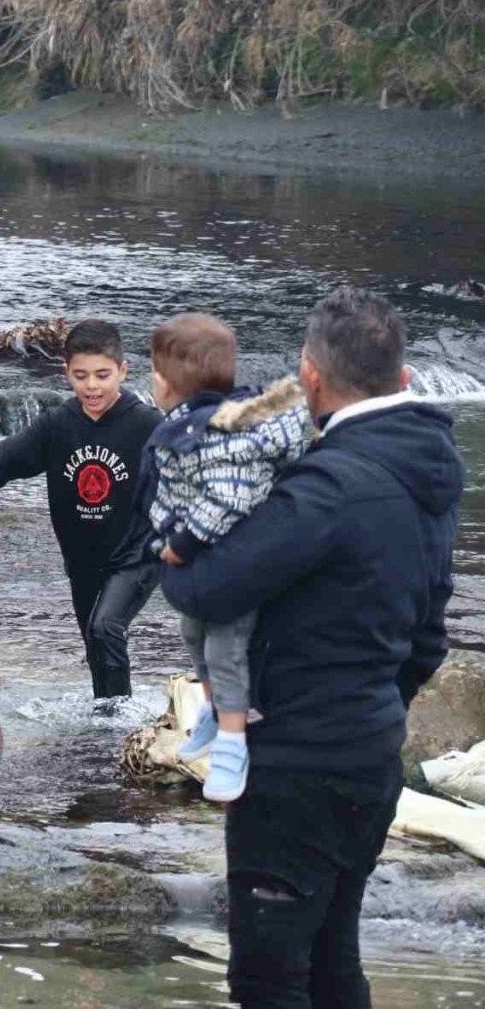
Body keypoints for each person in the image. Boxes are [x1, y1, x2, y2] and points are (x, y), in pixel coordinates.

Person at [162, 288, 459, 1008]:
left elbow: (205, 589)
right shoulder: (430, 468)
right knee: (332, 960)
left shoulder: (328, 485)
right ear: (405, 376)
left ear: (312, 376)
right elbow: (429, 633)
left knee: (269, 979)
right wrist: (370, 709)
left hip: (298, 766)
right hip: (369, 752)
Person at [0, 320, 161, 700]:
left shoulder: (147, 425)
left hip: (138, 554)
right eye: (81, 376)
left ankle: (116, 723)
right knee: (95, 642)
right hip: (83, 558)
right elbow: (4, 458)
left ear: (123, 371)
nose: (92, 386)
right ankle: (107, 728)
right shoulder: (58, 426)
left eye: (103, 375)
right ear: (67, 374)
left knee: (106, 627)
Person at [138, 314, 314, 804]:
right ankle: (216, 711)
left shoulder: (221, 437)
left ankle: (235, 743)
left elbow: (227, 499)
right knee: (191, 633)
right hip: (206, 564)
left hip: (239, 562)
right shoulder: (190, 424)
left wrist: (182, 543)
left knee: (224, 647)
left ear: (171, 385)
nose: (148, 379)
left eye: (153, 372)